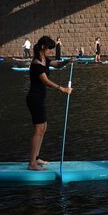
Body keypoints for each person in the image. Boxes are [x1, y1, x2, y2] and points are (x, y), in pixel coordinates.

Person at [26, 36, 72, 171]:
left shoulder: (44, 61)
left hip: (40, 99)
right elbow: (45, 81)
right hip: (34, 99)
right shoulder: (36, 63)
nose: (50, 51)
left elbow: (57, 65)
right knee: (38, 130)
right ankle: (31, 164)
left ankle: (36, 158)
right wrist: (62, 88)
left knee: (43, 128)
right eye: (49, 49)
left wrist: (67, 62)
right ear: (42, 47)